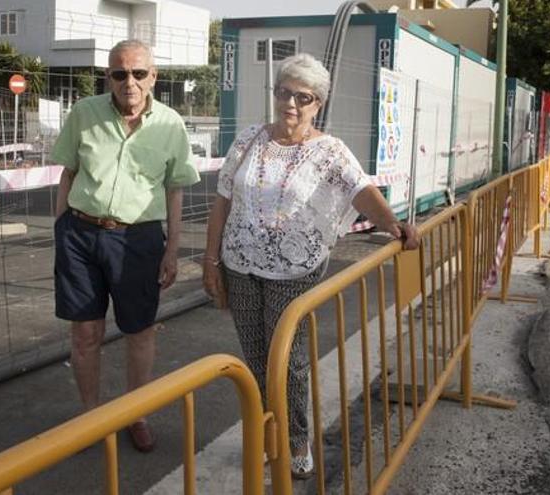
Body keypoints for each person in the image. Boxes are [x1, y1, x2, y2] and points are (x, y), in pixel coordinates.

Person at [203, 53, 420, 478]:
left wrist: (394, 225)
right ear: (275, 94)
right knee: (257, 358)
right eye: (284, 93)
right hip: (240, 266)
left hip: (294, 272)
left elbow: (361, 191)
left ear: (317, 103)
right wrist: (211, 262)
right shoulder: (249, 139)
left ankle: (296, 438)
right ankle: (269, 434)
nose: (291, 104)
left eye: (303, 97)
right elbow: (222, 201)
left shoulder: (329, 152)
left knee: (289, 360)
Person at [51, 39, 200, 453]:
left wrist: (173, 249)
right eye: (119, 73)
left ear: (153, 76)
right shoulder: (84, 114)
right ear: (108, 77)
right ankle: (90, 417)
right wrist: (61, 228)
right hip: (80, 235)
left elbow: (174, 190)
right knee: (84, 332)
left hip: (139, 240)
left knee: (139, 331)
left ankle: (136, 412)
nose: (129, 82)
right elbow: (68, 172)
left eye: (138, 73)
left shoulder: (171, 125)